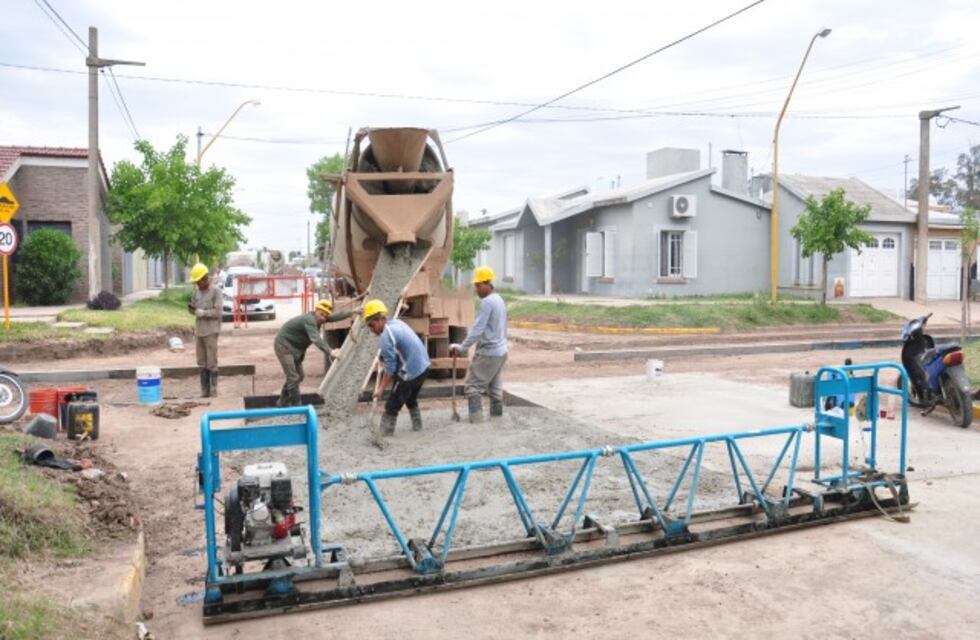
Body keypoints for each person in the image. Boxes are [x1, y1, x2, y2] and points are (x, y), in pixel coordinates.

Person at [364, 299, 431, 435]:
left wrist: (380, 390)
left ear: (379, 320)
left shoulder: (385, 336)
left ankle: (384, 435)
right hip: (425, 367)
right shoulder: (397, 323)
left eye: (371, 325)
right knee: (410, 398)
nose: (371, 330)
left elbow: (390, 368)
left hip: (412, 372)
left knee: (392, 405)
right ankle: (418, 427)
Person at [450, 265, 508, 423]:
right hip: (501, 352)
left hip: (488, 353)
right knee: (495, 389)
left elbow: (477, 330)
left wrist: (462, 347)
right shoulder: (499, 299)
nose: (476, 289)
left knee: (472, 387)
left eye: (479, 286)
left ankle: (476, 423)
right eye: (476, 286)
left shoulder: (487, 302)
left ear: (488, 284)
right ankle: (497, 421)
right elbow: (504, 327)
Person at [274, 299, 353, 406]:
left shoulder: (319, 318)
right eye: (321, 314)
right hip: (284, 346)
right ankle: (297, 407)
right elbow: (316, 339)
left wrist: (352, 312)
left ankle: (282, 402)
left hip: (296, 349)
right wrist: (330, 351)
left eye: (325, 316)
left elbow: (334, 317)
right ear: (316, 310)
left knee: (299, 376)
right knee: (293, 377)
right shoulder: (309, 320)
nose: (323, 318)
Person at [187, 263, 222, 397]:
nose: (197, 284)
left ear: (205, 278)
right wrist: (192, 309)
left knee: (211, 363)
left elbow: (218, 312)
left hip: (211, 332)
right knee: (201, 362)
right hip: (200, 331)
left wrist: (204, 313)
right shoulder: (196, 292)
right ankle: (204, 391)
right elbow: (194, 308)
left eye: (199, 281)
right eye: (196, 282)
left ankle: (213, 391)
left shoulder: (216, 292)